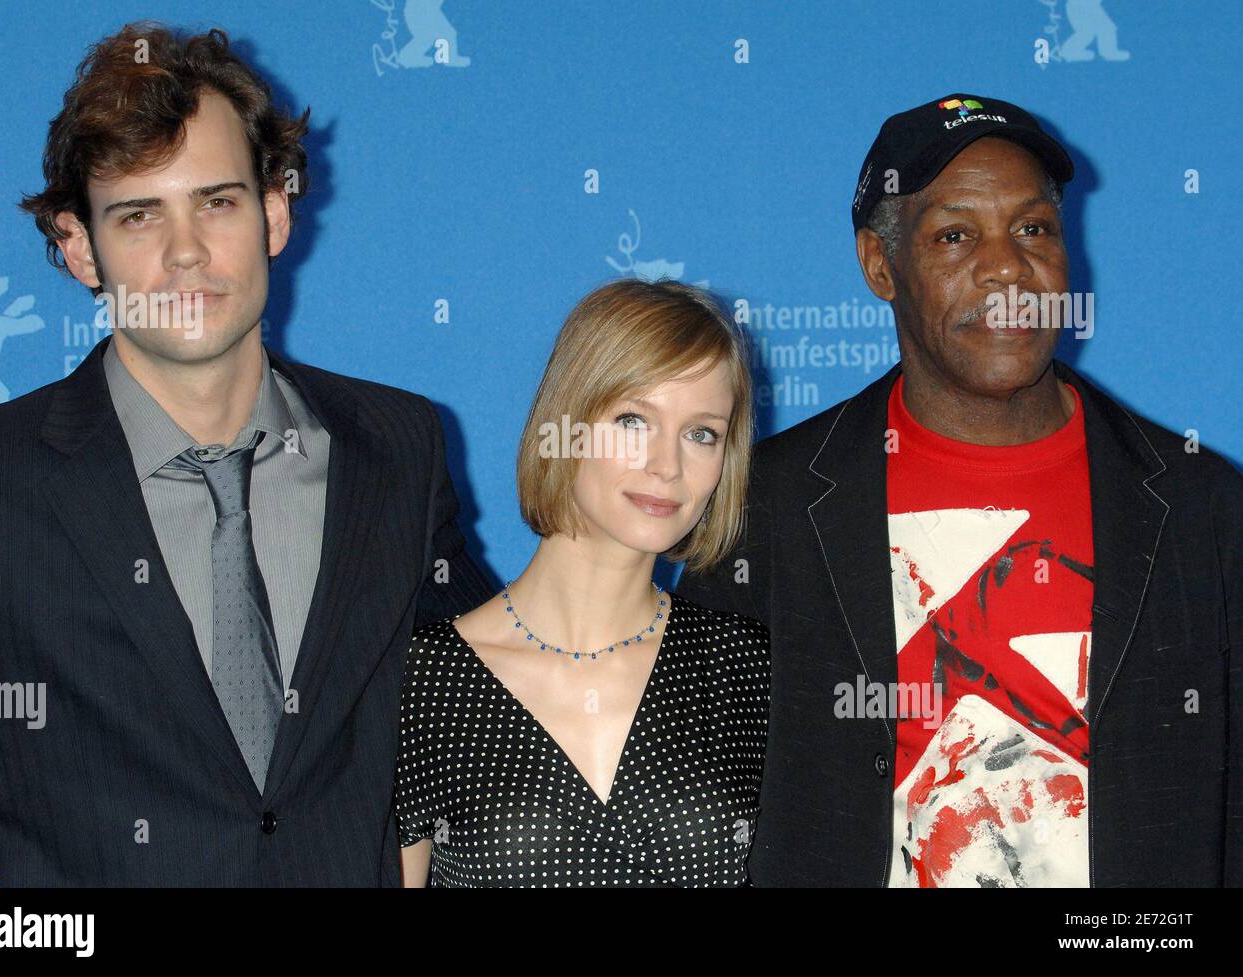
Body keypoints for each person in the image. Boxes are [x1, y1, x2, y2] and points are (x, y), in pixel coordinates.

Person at [0, 22, 493, 886]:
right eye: (139, 214)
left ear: (276, 209)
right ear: (80, 246)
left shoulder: (398, 449)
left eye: (217, 201)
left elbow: (496, 708)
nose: (186, 252)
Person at [677, 93, 1243, 887]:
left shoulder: (1202, 506)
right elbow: (696, 806)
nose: (1007, 266)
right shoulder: (764, 509)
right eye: (955, 235)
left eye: (1033, 229)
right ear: (881, 266)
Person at [395, 279, 770, 886]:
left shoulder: (748, 668)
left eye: (702, 433)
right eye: (633, 420)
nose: (667, 465)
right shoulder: (422, 681)